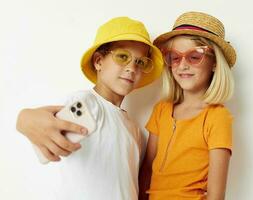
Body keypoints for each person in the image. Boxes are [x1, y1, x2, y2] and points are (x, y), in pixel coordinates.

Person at [16, 16, 163, 200]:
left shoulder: (133, 128)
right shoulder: (88, 104)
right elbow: (43, 136)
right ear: (98, 61)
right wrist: (25, 118)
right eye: (123, 56)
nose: (132, 68)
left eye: (140, 62)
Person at [138, 11, 236, 200]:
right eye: (175, 57)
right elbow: (146, 171)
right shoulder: (161, 110)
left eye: (194, 56)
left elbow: (216, 195)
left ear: (214, 62)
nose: (182, 65)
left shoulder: (217, 117)